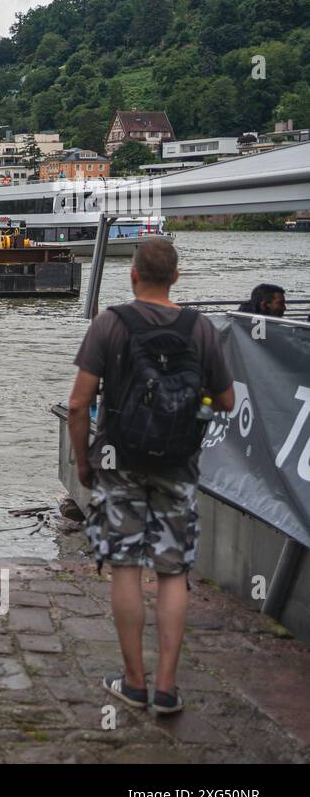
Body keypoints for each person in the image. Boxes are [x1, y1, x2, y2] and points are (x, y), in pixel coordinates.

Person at [68, 237, 234, 715]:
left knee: (125, 565)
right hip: (178, 464)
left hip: (119, 462)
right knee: (173, 571)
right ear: (176, 277)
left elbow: (78, 403)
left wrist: (84, 462)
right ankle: (166, 689)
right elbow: (226, 402)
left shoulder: (110, 324)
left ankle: (134, 683)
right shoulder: (200, 328)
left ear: (133, 274)